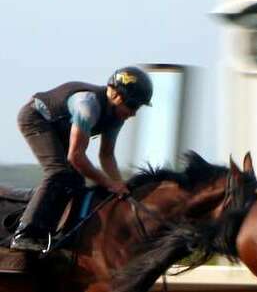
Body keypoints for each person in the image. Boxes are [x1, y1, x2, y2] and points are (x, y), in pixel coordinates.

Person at [10, 66, 153, 252]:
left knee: (76, 182)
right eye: (133, 106)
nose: (133, 113)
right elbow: (76, 156)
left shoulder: (117, 117)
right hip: (36, 118)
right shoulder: (88, 105)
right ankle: (24, 234)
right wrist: (110, 184)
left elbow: (107, 156)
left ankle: (53, 231)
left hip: (60, 127)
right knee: (58, 172)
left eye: (138, 107)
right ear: (116, 95)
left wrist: (120, 186)